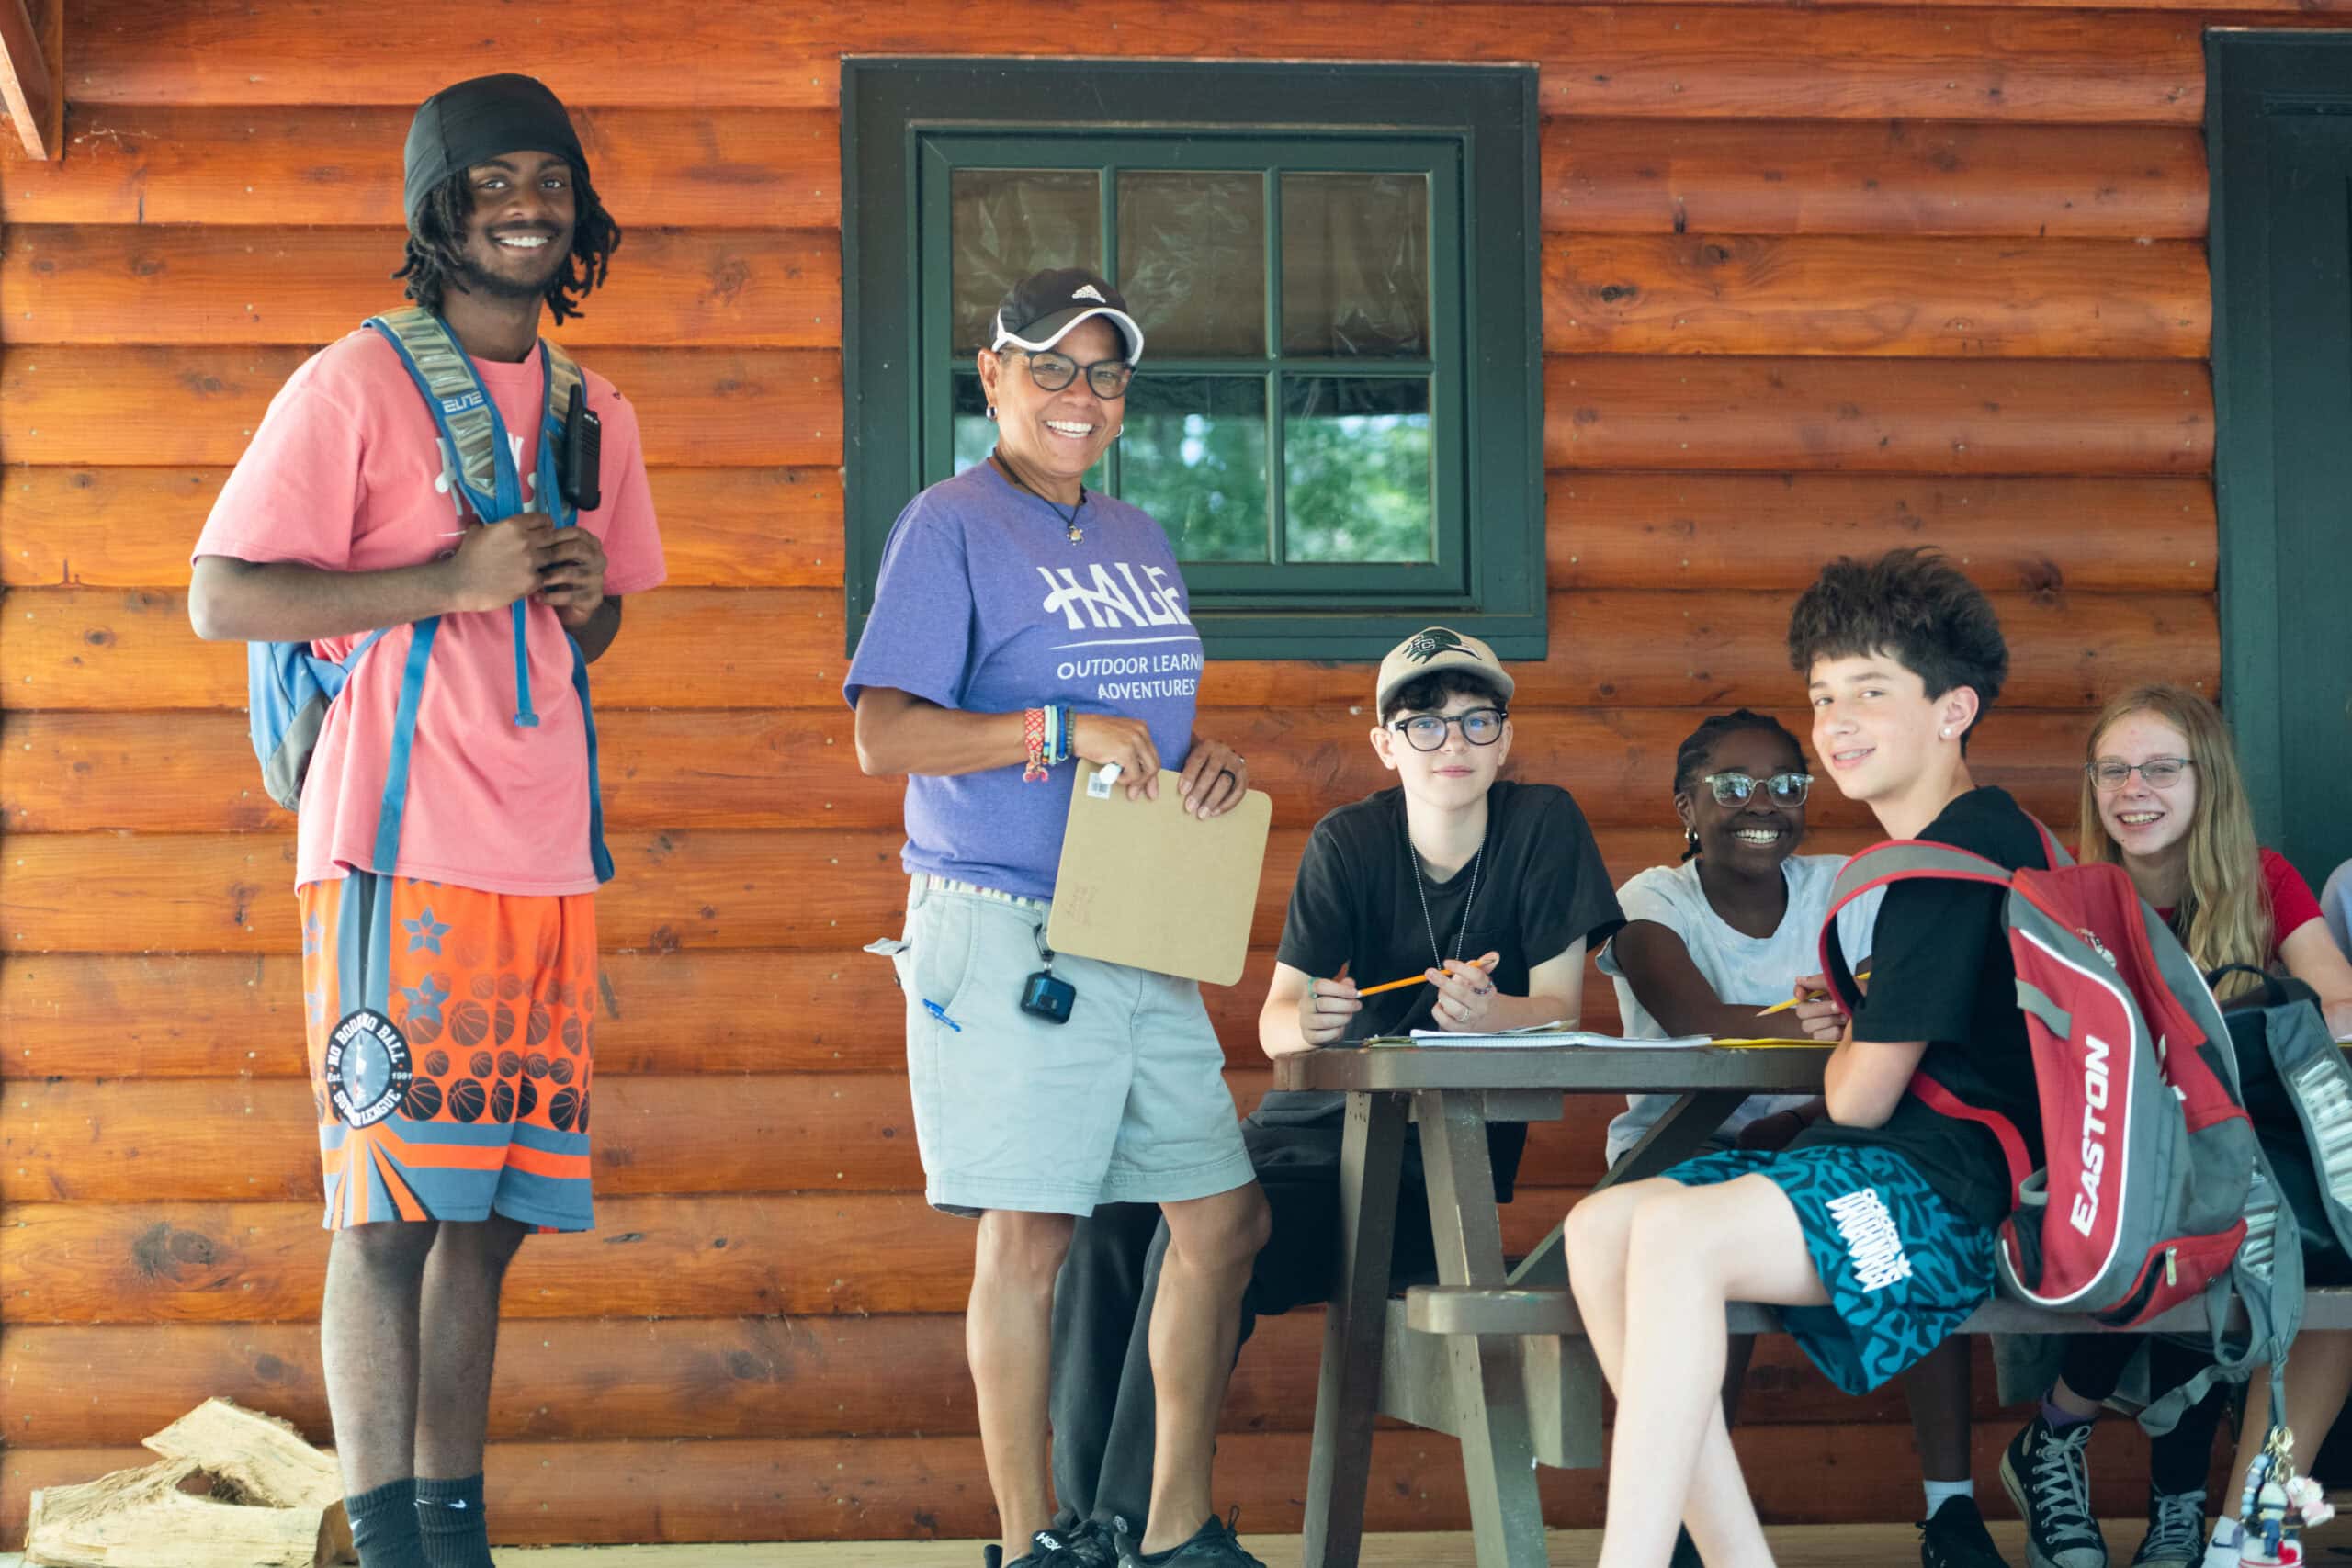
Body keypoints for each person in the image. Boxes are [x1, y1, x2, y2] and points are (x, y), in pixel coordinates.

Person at [185, 74, 663, 1568]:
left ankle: (453, 1530)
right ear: (439, 210)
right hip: (396, 851)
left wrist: (582, 608)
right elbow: (225, 593)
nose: (527, 202)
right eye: (490, 180)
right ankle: (392, 1537)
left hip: (545, 861)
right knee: (388, 1213)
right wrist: (444, 582)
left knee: (496, 1215)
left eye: (551, 180)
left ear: (579, 212)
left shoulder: (598, 411)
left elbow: (581, 641)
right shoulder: (354, 385)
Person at [848, 268, 1270, 1568]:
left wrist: (1206, 767)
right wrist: (1052, 728)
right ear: (993, 378)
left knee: (1221, 1218)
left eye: (1102, 374)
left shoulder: (1136, 535)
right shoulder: (950, 524)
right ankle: (1033, 1542)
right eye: (1050, 367)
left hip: (1140, 914)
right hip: (1006, 927)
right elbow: (883, 734)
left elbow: (1145, 730)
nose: (1079, 396)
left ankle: (1174, 1524)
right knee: (1029, 1234)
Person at [1048, 628, 1622, 1561]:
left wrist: (1489, 1017)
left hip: (1415, 1175)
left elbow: (1557, 1012)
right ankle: (1089, 1530)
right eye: (1424, 725)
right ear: (1386, 747)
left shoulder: (1541, 825)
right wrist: (1309, 1018)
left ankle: (1136, 1534)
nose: (1455, 745)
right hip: (1287, 1138)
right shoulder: (1350, 839)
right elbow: (1276, 1023)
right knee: (1115, 1220)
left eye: (1478, 721)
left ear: (1504, 740)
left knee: (1188, 1241)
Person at [1564, 546, 2044, 1568]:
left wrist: (1847, 1042)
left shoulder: (1955, 863)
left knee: (1676, 1241)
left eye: (1871, 693)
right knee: (1601, 1224)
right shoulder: (1952, 848)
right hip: (1876, 1170)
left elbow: (1862, 1099)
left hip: (1947, 1201)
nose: (1836, 727)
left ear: (1953, 709)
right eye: (1825, 697)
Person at [1999, 683, 2352, 1568]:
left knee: (2323, 1250)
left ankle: (2245, 1530)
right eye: (2114, 769)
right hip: (2103, 1149)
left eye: (2160, 767)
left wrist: (2259, 1024)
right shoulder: (2067, 890)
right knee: (2191, 1206)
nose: (2133, 788)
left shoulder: (2262, 877)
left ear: (2208, 781)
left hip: (2234, 1141)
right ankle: (2162, 1491)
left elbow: (2338, 997)